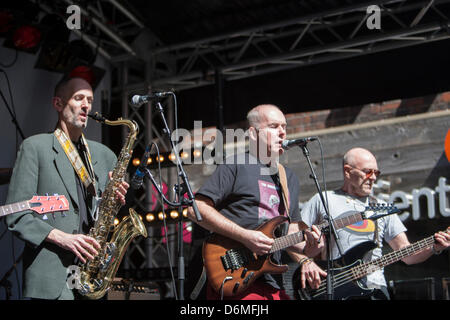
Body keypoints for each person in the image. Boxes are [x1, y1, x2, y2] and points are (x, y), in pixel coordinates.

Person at [5, 77, 129, 300]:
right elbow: (16, 215)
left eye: (90, 100)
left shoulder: (104, 155)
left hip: (91, 277)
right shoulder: (35, 147)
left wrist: (116, 199)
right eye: (78, 98)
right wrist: (63, 238)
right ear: (58, 104)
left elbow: (102, 215)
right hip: (52, 279)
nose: (86, 106)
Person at [187, 104, 322, 300]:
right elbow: (196, 208)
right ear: (253, 133)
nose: (282, 132)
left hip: (272, 280)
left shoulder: (287, 177)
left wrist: (311, 248)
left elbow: (291, 232)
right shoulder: (236, 164)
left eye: (284, 127)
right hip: (235, 276)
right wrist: (245, 236)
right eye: (274, 126)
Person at [299, 147, 450, 299]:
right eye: (367, 172)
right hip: (334, 288)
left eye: (376, 173)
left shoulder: (382, 208)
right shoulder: (324, 200)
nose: (373, 178)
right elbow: (295, 239)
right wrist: (306, 261)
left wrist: (434, 247)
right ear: (347, 171)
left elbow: (406, 253)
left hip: (375, 288)